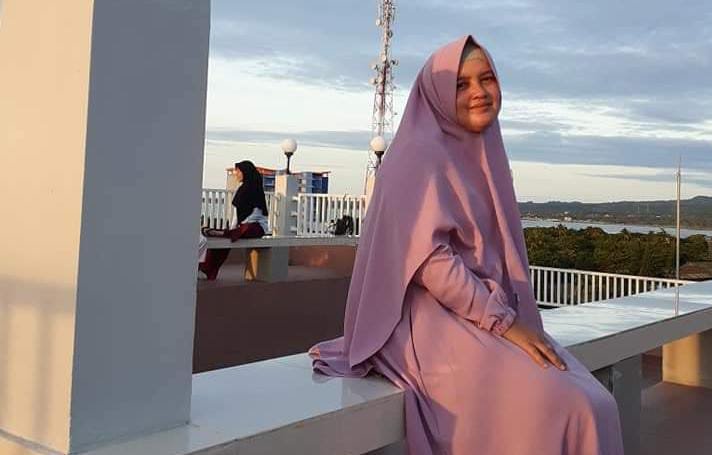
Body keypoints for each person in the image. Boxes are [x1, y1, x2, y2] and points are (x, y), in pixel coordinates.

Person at [309, 36, 624, 454]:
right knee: (566, 404)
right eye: (461, 84)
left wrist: (505, 318)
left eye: (487, 78)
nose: (479, 91)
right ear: (437, 94)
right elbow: (430, 261)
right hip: (421, 319)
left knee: (597, 402)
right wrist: (504, 323)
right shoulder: (417, 154)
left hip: (476, 311)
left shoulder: (480, 150)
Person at [199, 160, 269, 280]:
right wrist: (233, 227)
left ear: (245, 172)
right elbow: (237, 214)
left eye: (238, 171)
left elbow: (256, 214)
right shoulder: (243, 189)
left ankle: (220, 234)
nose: (236, 174)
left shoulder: (254, 188)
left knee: (241, 231)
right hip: (243, 228)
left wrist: (236, 227)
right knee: (231, 237)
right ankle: (209, 268)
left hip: (256, 227)